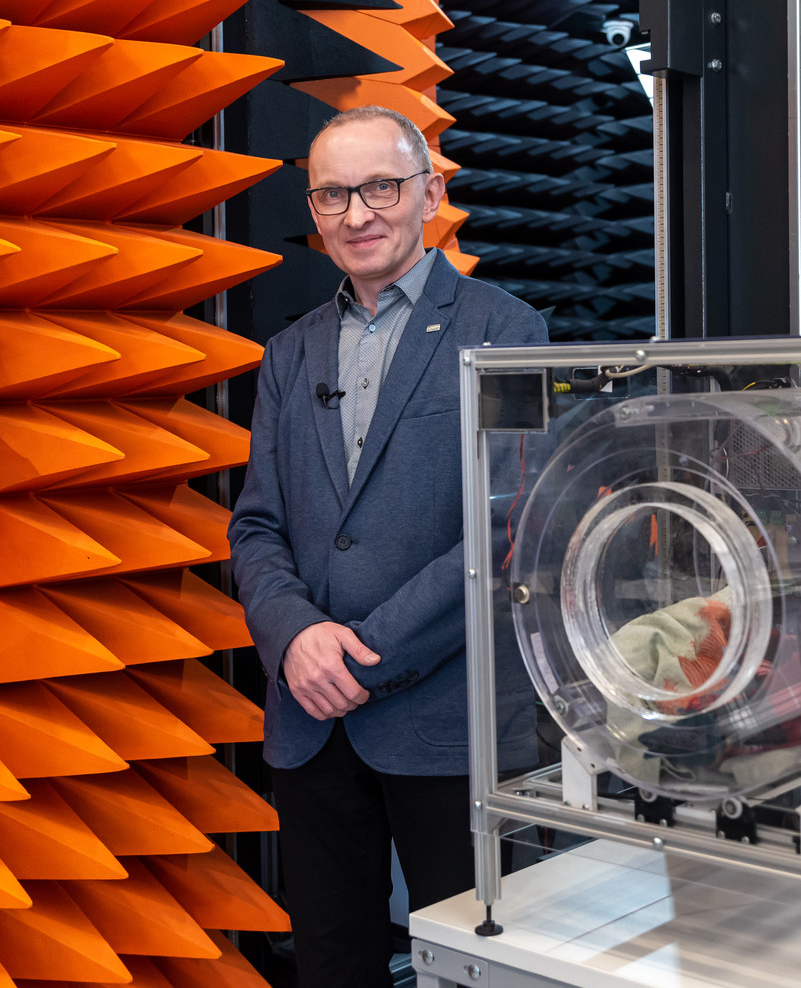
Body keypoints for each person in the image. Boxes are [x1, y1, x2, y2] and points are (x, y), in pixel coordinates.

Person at [226, 106, 548, 988]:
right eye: (333, 195)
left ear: (430, 193)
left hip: (448, 723)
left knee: (476, 969)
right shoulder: (289, 353)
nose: (358, 214)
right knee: (333, 964)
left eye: (381, 187)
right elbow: (256, 524)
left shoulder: (507, 330)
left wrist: (362, 655)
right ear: (313, 210)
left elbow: (511, 526)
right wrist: (296, 636)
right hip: (312, 722)